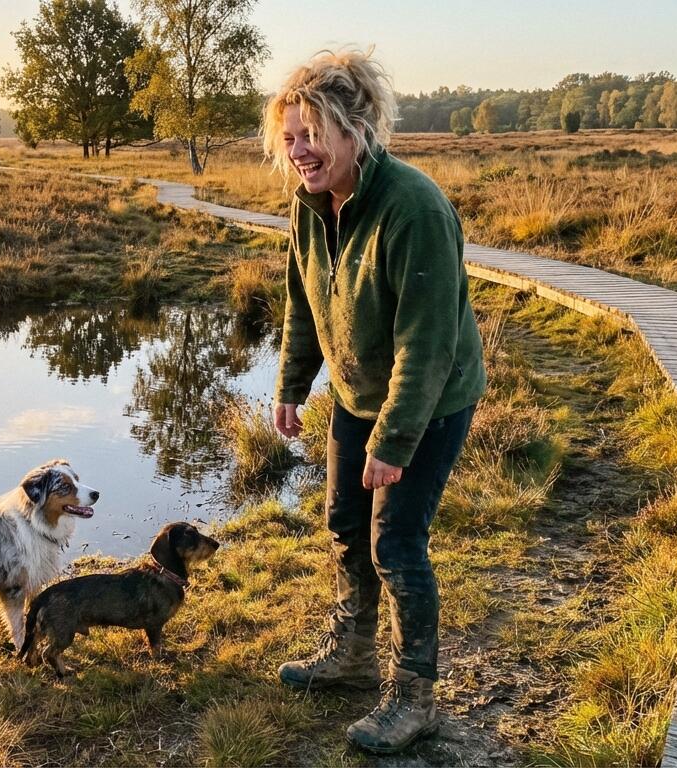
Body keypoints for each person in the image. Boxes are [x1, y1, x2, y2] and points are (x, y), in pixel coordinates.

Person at [265, 48, 487, 754]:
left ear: (354, 128)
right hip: (358, 396)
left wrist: (393, 445)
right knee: (343, 523)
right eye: (289, 138)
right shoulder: (308, 205)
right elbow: (303, 303)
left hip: (431, 400)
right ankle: (352, 658)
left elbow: (428, 347)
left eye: (311, 134)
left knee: (395, 542)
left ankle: (413, 696)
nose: (299, 151)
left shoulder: (414, 207)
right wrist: (291, 387)